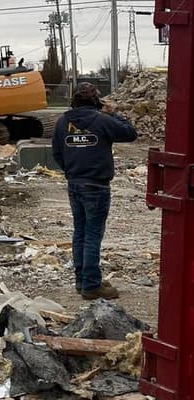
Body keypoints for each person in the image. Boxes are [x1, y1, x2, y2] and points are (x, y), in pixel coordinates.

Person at [52, 82, 137, 300]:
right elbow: (130, 133)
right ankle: (91, 285)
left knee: (80, 232)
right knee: (92, 235)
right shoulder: (102, 121)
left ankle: (82, 281)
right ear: (95, 101)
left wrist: (72, 170)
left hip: (75, 184)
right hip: (96, 186)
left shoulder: (63, 122)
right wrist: (113, 112)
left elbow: (57, 153)